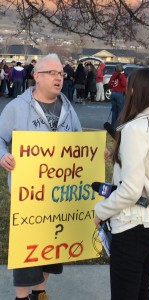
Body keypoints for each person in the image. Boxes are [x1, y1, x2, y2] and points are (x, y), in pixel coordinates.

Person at [0, 53, 82, 300]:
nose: (59, 78)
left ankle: (40, 293)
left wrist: (96, 152)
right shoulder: (16, 107)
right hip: (28, 195)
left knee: (51, 249)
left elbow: (79, 142)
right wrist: (3, 156)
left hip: (58, 194)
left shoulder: (68, 107)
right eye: (53, 73)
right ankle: (22, 297)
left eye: (61, 74)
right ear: (37, 76)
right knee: (27, 249)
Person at [94, 67, 149, 300]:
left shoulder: (135, 128)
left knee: (125, 293)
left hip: (131, 223)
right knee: (141, 290)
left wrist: (100, 211)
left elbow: (130, 189)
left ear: (133, 90)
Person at [108, 64, 127, 129]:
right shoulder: (122, 76)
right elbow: (124, 84)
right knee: (120, 111)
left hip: (113, 93)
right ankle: (119, 126)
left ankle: (113, 125)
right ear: (121, 69)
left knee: (114, 110)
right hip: (119, 94)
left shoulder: (113, 75)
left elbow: (109, 84)